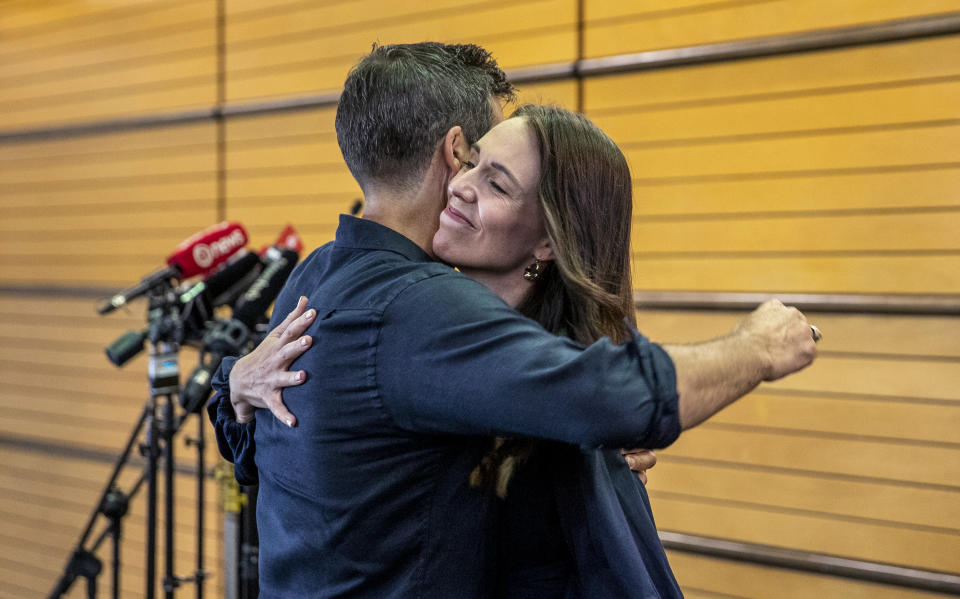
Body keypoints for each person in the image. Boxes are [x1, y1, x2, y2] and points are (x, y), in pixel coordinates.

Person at [209, 42, 817, 599]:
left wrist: (232, 380)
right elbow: (617, 398)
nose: (464, 187)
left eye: (494, 179)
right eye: (473, 163)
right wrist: (756, 345)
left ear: (550, 239)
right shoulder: (424, 312)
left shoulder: (317, 273)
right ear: (451, 151)